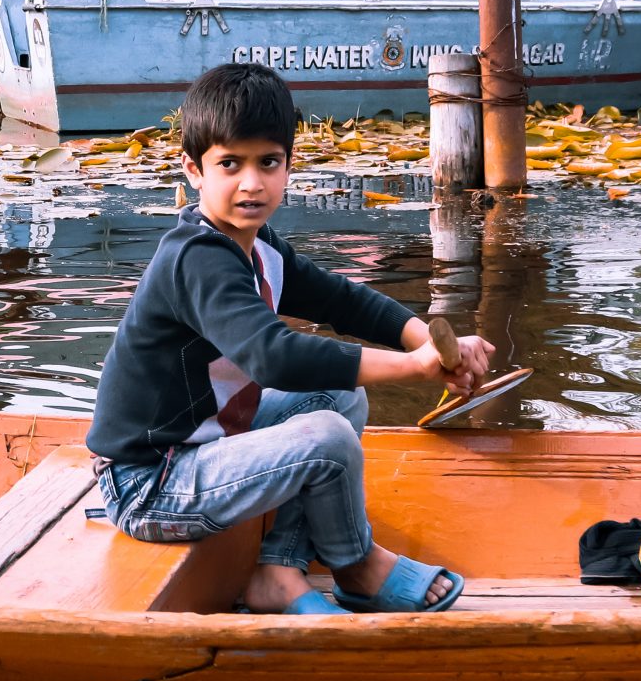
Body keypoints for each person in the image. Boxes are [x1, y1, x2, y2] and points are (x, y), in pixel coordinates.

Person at [88, 63, 493, 615]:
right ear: (193, 170)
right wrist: (416, 369)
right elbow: (273, 357)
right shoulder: (197, 259)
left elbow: (343, 301)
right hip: (152, 482)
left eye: (267, 163)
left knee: (341, 397)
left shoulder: (260, 248)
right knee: (327, 438)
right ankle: (357, 565)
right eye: (229, 164)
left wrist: (431, 340)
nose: (251, 183)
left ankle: (279, 569)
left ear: (288, 166)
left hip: (209, 443)